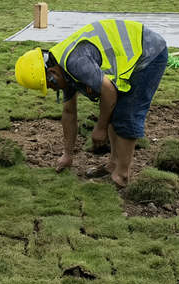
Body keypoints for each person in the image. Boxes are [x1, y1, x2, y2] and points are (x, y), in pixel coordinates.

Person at [14, 19, 168, 187]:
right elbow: (69, 112)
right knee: (113, 111)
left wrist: (100, 127)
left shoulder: (74, 63)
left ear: (51, 72)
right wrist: (67, 155)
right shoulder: (61, 68)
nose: (52, 90)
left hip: (148, 53)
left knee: (127, 114)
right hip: (132, 55)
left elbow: (108, 91)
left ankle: (122, 176)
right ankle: (113, 165)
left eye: (51, 85)